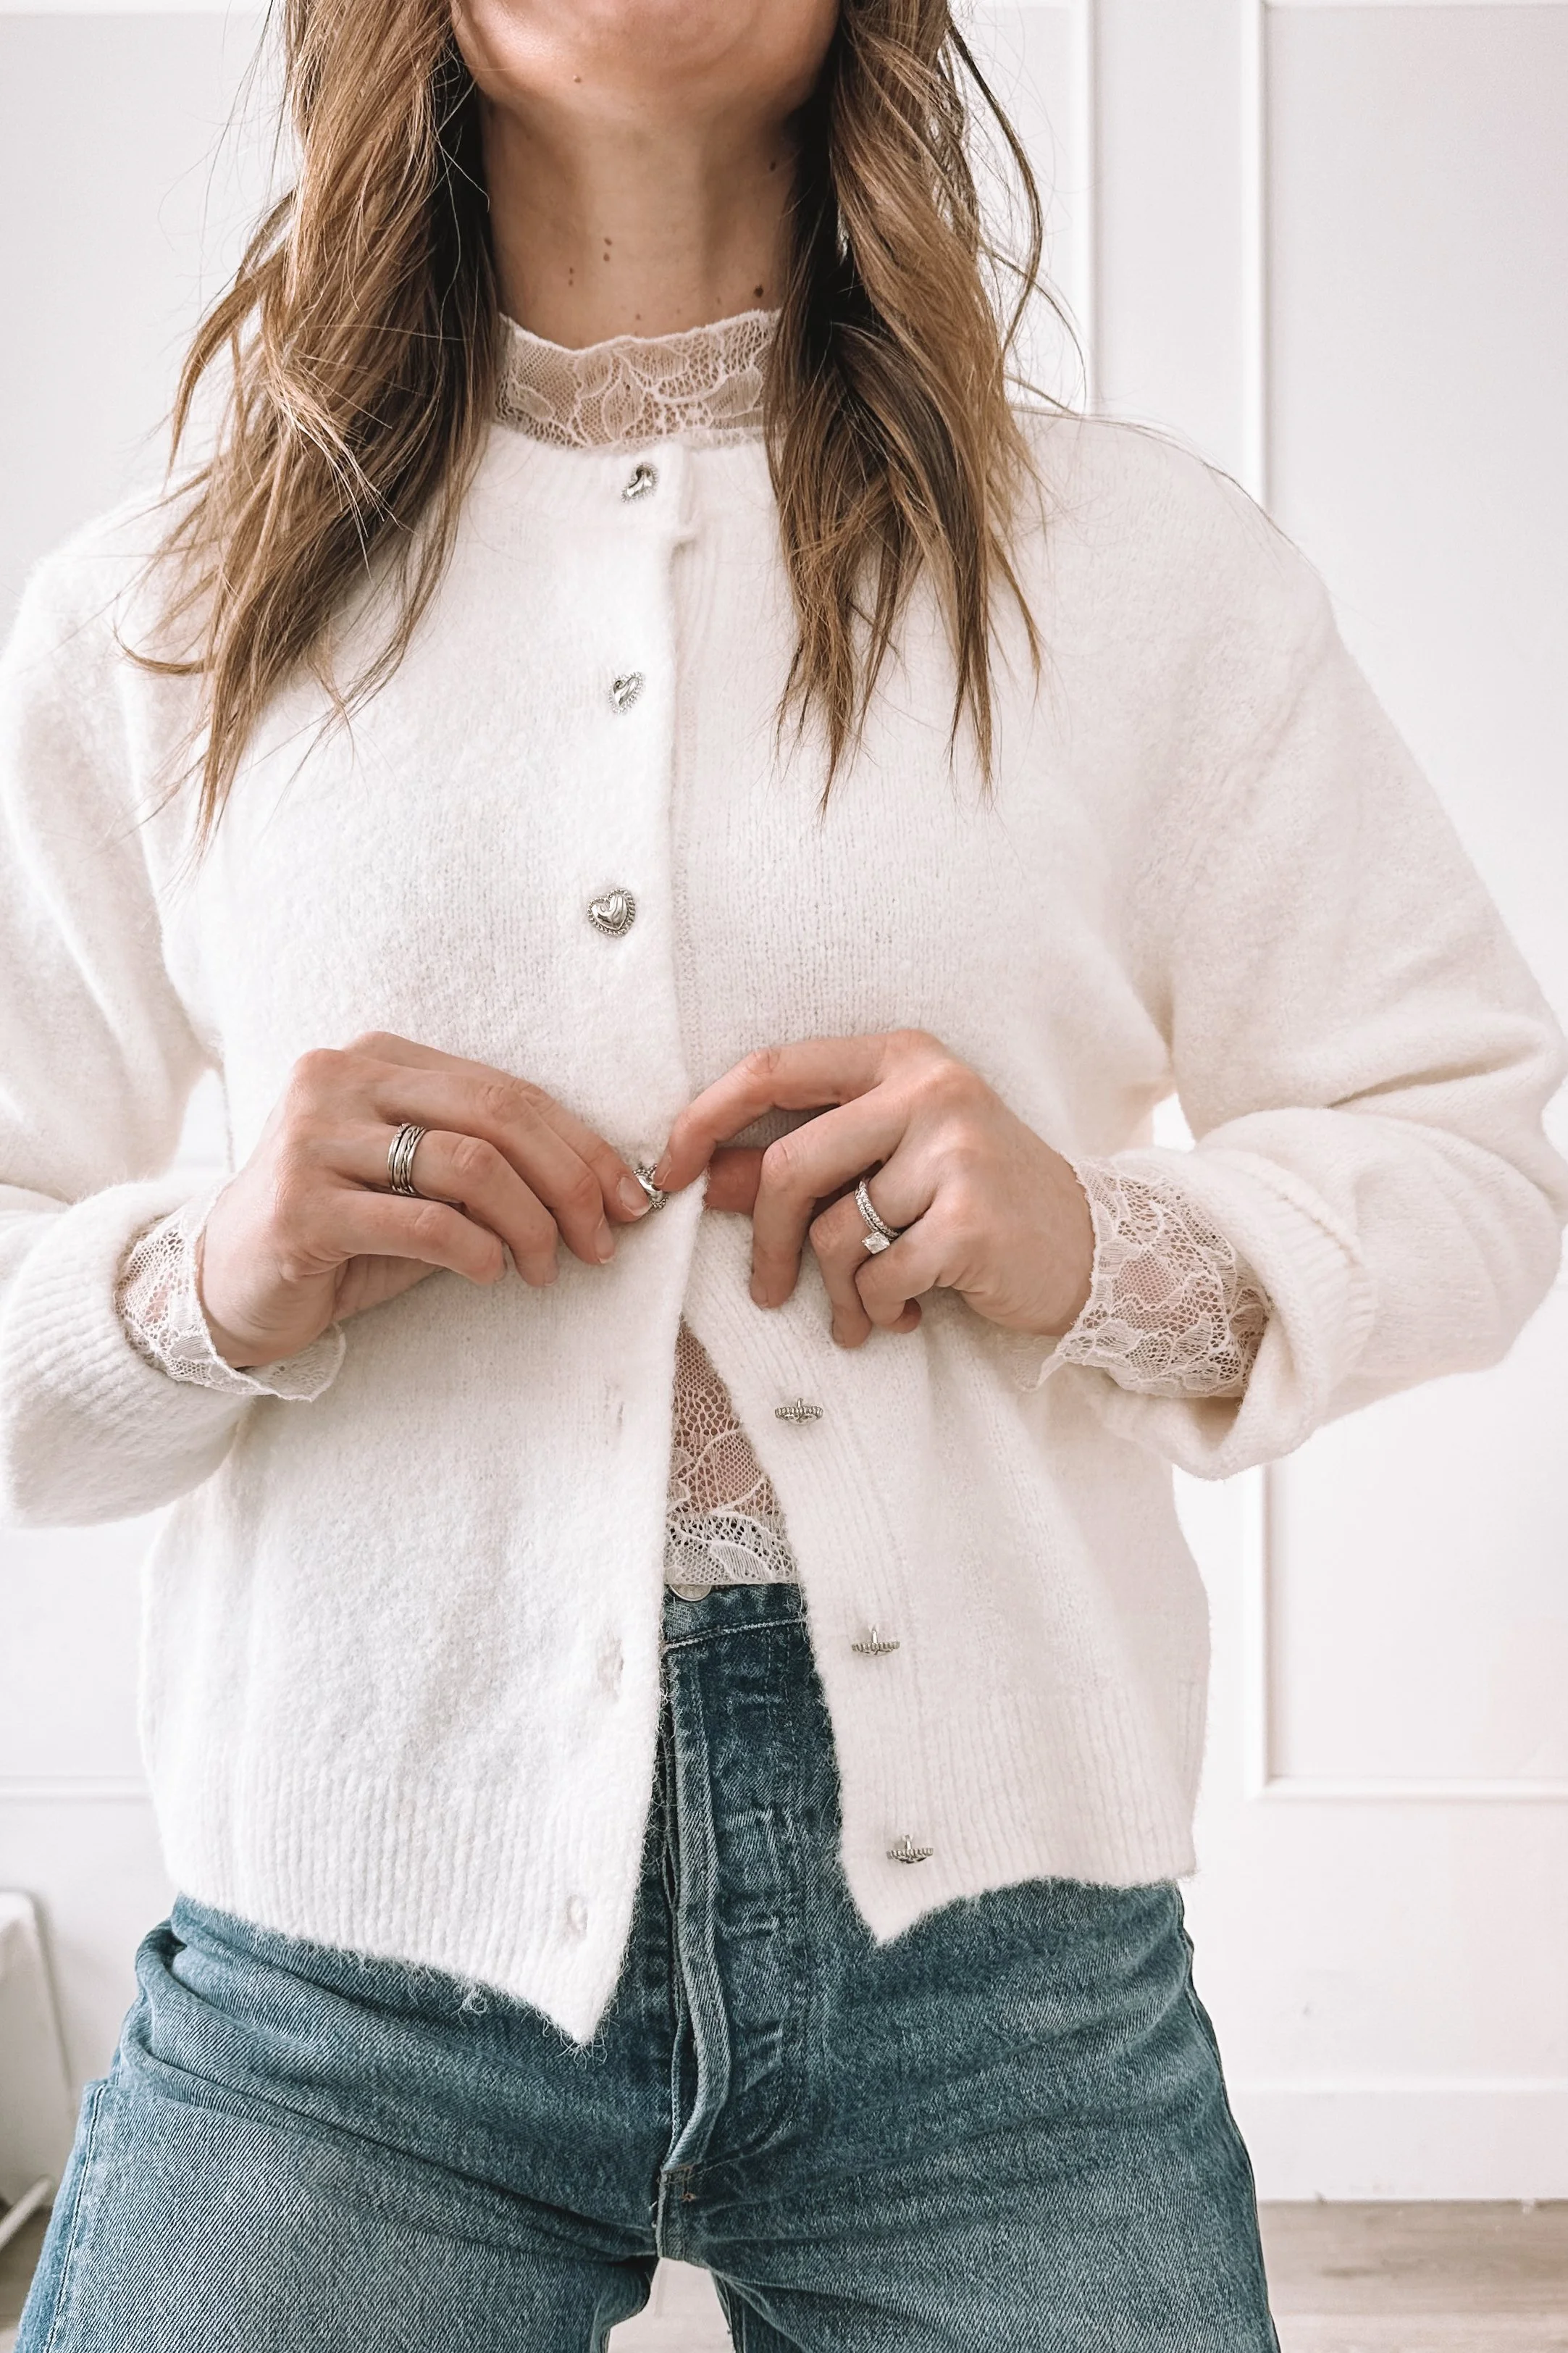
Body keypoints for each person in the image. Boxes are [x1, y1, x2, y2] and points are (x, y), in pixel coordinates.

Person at [3, 1, 1564, 2345]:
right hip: (340, 1988)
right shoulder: (165, 608)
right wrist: (201, 1275)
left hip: (1001, 2002)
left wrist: (1098, 1241)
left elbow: (1466, 1151)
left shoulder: (1138, 571)